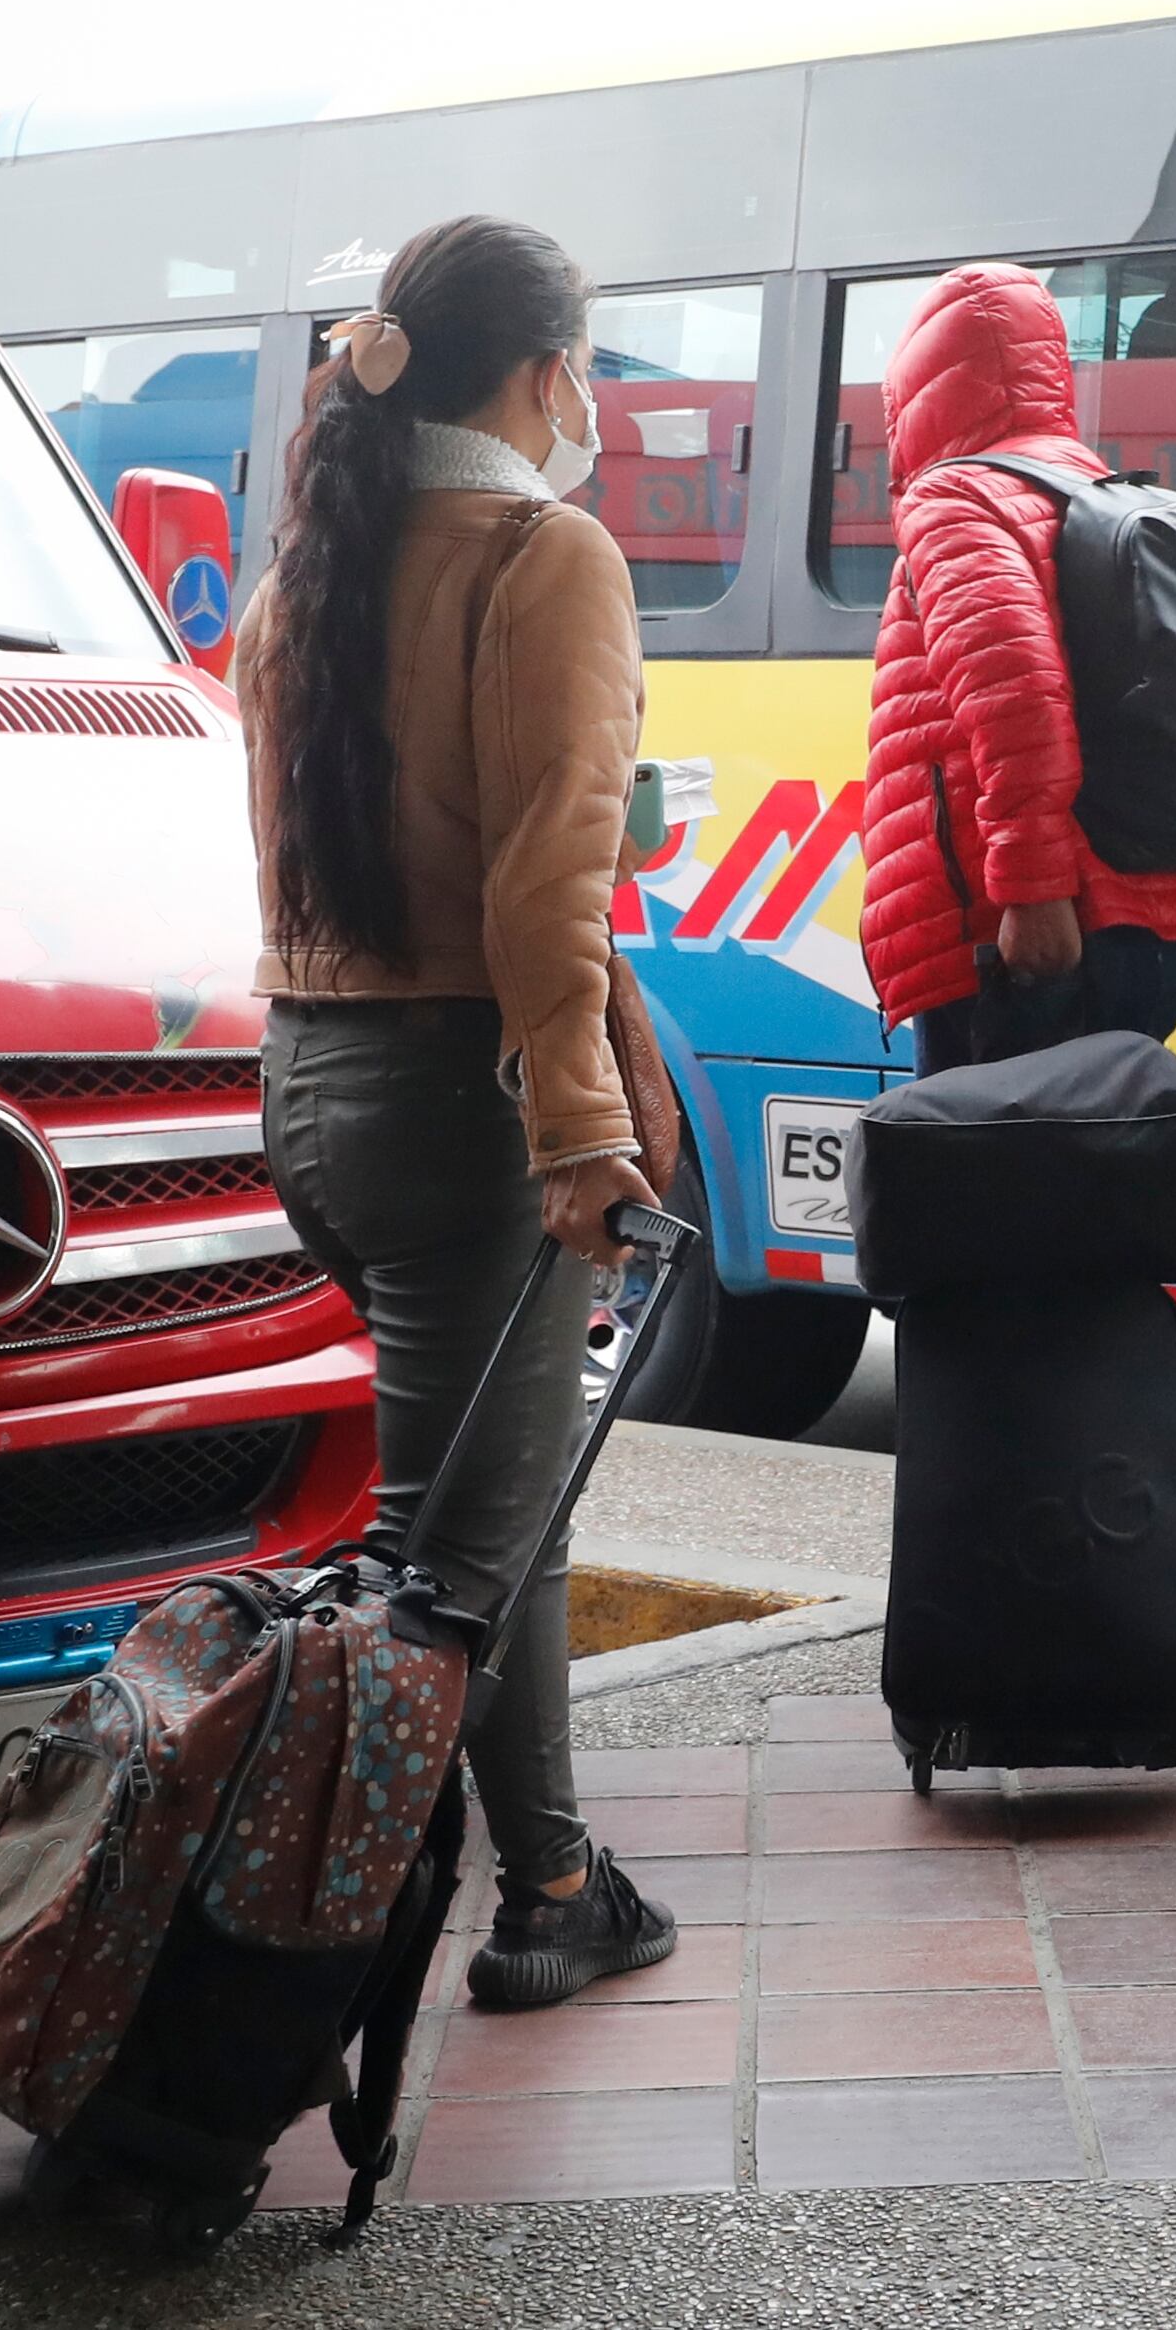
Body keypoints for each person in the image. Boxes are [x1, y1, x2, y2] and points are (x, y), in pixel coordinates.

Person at [239, 214, 675, 2012]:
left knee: (494, 1521)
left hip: (310, 1092)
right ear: (547, 371)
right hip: (459, 1110)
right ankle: (263, 1943)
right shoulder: (540, 555)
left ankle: (556, 1877)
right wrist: (580, 1130)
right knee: (448, 1561)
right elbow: (545, 886)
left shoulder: (308, 572)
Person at [855, 262, 1176, 1071]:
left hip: (1038, 937)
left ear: (917, 386)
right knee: (1105, 1150)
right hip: (1157, 932)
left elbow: (1016, 700)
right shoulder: (1115, 498)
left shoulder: (960, 499)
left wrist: (1033, 895)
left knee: (978, 1151)